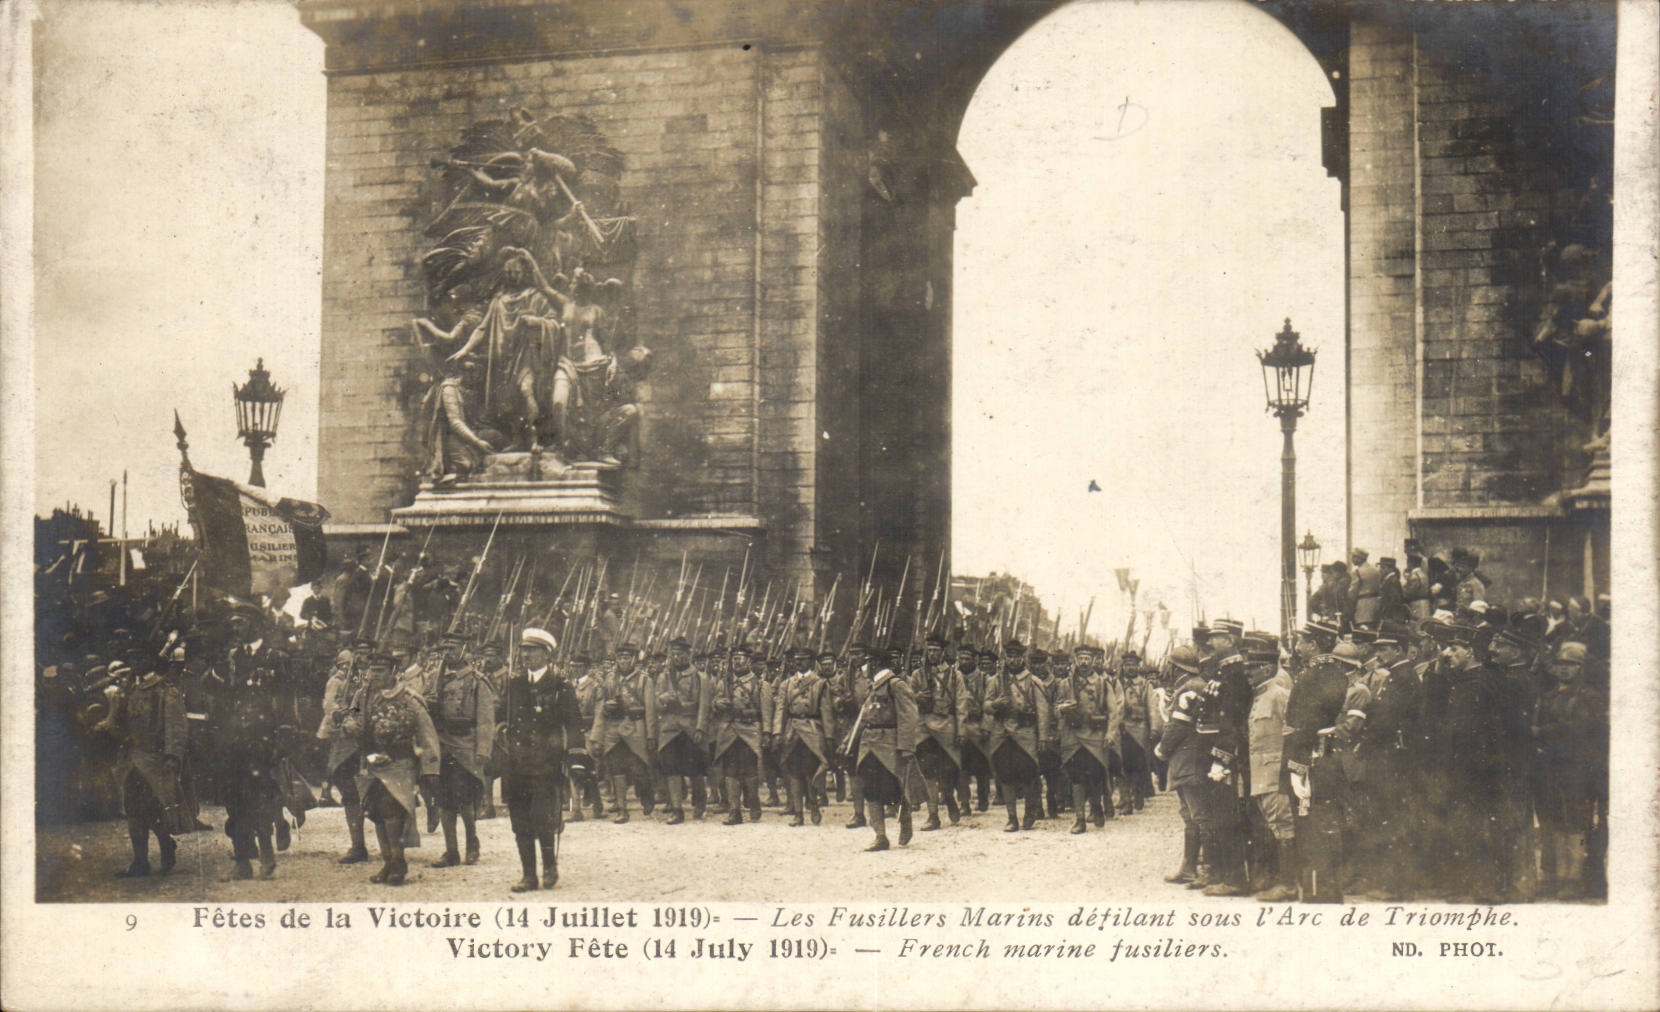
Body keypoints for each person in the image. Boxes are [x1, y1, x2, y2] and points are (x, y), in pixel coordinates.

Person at [499, 627, 587, 891]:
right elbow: (502, 716)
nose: (526, 655)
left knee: (543, 816)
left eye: (532, 651)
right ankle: (528, 875)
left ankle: (549, 866)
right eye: (524, 650)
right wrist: (500, 731)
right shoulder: (515, 684)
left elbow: (573, 724)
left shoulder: (560, 686)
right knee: (520, 819)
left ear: (547, 654)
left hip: (546, 763)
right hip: (517, 763)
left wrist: (575, 758)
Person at [348, 652, 441, 887]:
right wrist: (350, 725)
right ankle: (388, 862)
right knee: (376, 812)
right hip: (371, 760)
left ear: (393, 672)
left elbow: (426, 732)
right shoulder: (363, 695)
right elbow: (354, 717)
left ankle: (399, 862)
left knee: (393, 810)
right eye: (372, 670)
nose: (375, 675)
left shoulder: (408, 698)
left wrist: (430, 768)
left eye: (380, 670)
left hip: (400, 762)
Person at [98, 654, 191, 878]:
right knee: (133, 810)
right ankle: (140, 862)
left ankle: (165, 845)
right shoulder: (129, 688)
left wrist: (172, 755)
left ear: (149, 661)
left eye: (139, 656)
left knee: (152, 810)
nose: (135, 662)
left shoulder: (164, 689)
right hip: (132, 759)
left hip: (155, 760)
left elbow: (175, 724)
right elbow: (116, 721)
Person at [1350, 621, 1421, 900]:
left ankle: (1399, 886)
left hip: (1393, 757)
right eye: (1379, 648)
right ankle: (1392, 883)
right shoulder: (1395, 675)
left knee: (1392, 819)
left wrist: (1364, 744)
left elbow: (1387, 720)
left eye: (1386, 649)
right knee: (1386, 818)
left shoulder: (1403, 677)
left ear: (1401, 649)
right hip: (1387, 755)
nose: (1380, 654)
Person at [1532, 640, 1607, 899]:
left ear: (1580, 669)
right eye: (1560, 664)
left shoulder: (1588, 697)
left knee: (1575, 823)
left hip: (1576, 768)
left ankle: (1572, 878)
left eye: (1571, 665)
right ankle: (1552, 875)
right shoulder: (1547, 696)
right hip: (1549, 767)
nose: (1564, 670)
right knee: (1552, 820)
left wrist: (1544, 731)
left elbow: (1582, 729)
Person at [428, 632, 497, 867]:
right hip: (442, 744)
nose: (448, 653)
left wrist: (483, 750)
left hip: (466, 745)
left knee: (465, 798)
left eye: (453, 648)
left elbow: (486, 719)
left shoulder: (477, 681)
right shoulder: (436, 679)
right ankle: (451, 851)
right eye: (445, 648)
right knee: (445, 800)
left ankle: (471, 842)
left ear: (465, 650)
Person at [847, 648, 919, 851]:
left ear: (875, 664)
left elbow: (909, 716)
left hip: (889, 745)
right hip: (869, 744)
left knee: (894, 787)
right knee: (870, 788)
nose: (864, 667)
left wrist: (906, 746)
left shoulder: (896, 685)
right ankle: (880, 836)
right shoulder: (872, 686)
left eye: (867, 663)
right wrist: (850, 741)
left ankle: (905, 820)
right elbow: (864, 717)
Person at [1241, 635, 1291, 896]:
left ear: (1267, 668)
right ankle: (1276, 879)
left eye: (1252, 668)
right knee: (1273, 826)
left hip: (1276, 772)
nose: (1247, 673)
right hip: (1261, 774)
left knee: (1283, 826)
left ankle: (1288, 884)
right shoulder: (1260, 696)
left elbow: (1293, 733)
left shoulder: (1280, 695)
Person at [1154, 647, 1209, 886]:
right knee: (1190, 814)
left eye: (1169, 665)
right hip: (1190, 759)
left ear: (1176, 668)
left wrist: (1162, 750)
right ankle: (1190, 867)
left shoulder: (1189, 689)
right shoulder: (1194, 685)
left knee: (1198, 815)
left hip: (1189, 760)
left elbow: (1177, 726)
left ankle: (1204, 869)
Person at [983, 641, 1051, 832]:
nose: (1012, 660)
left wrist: (1043, 738)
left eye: (1016, 656)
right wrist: (995, 704)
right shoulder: (996, 680)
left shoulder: (1032, 681)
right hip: (1002, 734)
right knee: (1006, 776)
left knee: (1028, 775)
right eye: (1009, 656)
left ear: (1022, 658)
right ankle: (1011, 817)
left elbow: (1043, 712)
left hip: (1025, 733)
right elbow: (986, 706)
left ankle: (1030, 811)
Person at [1051, 644, 1116, 833]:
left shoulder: (1103, 684)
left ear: (1094, 661)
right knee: (1076, 778)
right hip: (1073, 737)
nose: (1084, 662)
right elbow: (1055, 709)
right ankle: (1079, 818)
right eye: (1081, 658)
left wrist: (1111, 733)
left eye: (1088, 658)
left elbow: (1113, 711)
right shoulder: (1065, 684)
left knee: (1095, 776)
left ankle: (1096, 806)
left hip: (1095, 736)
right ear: (1075, 660)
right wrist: (1062, 709)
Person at [317, 645, 372, 863]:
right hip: (345, 739)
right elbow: (332, 708)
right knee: (346, 785)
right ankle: (358, 844)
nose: (360, 660)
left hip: (370, 739)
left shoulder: (371, 680)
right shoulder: (339, 682)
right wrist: (345, 717)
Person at [590, 642, 656, 823]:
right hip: (614, 728)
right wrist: (605, 710)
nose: (623, 661)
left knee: (638, 768)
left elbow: (650, 710)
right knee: (616, 768)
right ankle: (622, 809)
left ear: (635, 659)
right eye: (620, 657)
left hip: (636, 726)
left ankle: (646, 794)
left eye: (627, 657)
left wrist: (651, 735)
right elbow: (600, 708)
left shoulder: (644, 680)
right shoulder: (609, 679)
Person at [772, 646, 837, 827]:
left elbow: (826, 712)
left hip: (812, 730)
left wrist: (829, 736)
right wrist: (777, 732)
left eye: (803, 659)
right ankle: (798, 813)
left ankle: (814, 804)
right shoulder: (787, 684)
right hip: (792, 731)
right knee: (793, 773)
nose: (798, 662)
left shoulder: (820, 683)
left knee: (810, 773)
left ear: (811, 661)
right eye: (796, 659)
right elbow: (780, 710)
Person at [653, 637, 710, 824]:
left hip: (690, 727)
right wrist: (662, 699)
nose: (676, 658)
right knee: (671, 769)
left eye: (680, 654)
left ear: (688, 655)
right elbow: (655, 704)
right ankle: (677, 809)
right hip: (669, 730)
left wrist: (700, 728)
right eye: (674, 654)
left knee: (695, 770)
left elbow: (703, 706)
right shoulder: (663, 677)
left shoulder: (699, 677)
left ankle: (700, 803)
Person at [910, 635, 965, 830]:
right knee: (928, 772)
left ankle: (949, 797)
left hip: (947, 726)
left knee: (947, 772)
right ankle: (933, 815)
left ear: (943, 652)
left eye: (936, 650)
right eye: (929, 650)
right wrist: (916, 696)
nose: (932, 654)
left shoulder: (954, 675)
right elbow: (907, 698)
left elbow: (960, 703)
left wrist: (961, 729)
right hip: (924, 727)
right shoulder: (917, 674)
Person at [709, 645, 768, 825]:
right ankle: (735, 811)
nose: (738, 662)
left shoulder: (759, 684)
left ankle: (753, 802)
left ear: (749, 662)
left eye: (741, 659)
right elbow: (713, 704)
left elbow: (766, 712)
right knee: (730, 771)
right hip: (729, 730)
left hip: (750, 730)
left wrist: (767, 733)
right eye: (735, 659)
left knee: (750, 770)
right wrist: (718, 703)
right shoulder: (724, 683)